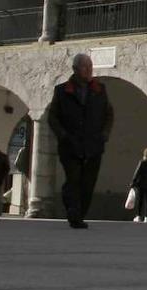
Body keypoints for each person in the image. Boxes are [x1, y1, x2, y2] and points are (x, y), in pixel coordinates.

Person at [48, 52, 114, 229]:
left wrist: (104, 134)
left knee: (88, 183)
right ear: (75, 69)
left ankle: (78, 212)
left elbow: (109, 114)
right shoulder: (62, 91)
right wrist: (62, 135)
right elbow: (53, 116)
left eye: (90, 66)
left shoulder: (100, 90)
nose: (89, 70)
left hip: (93, 144)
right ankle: (74, 213)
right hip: (70, 144)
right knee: (74, 178)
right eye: (85, 67)